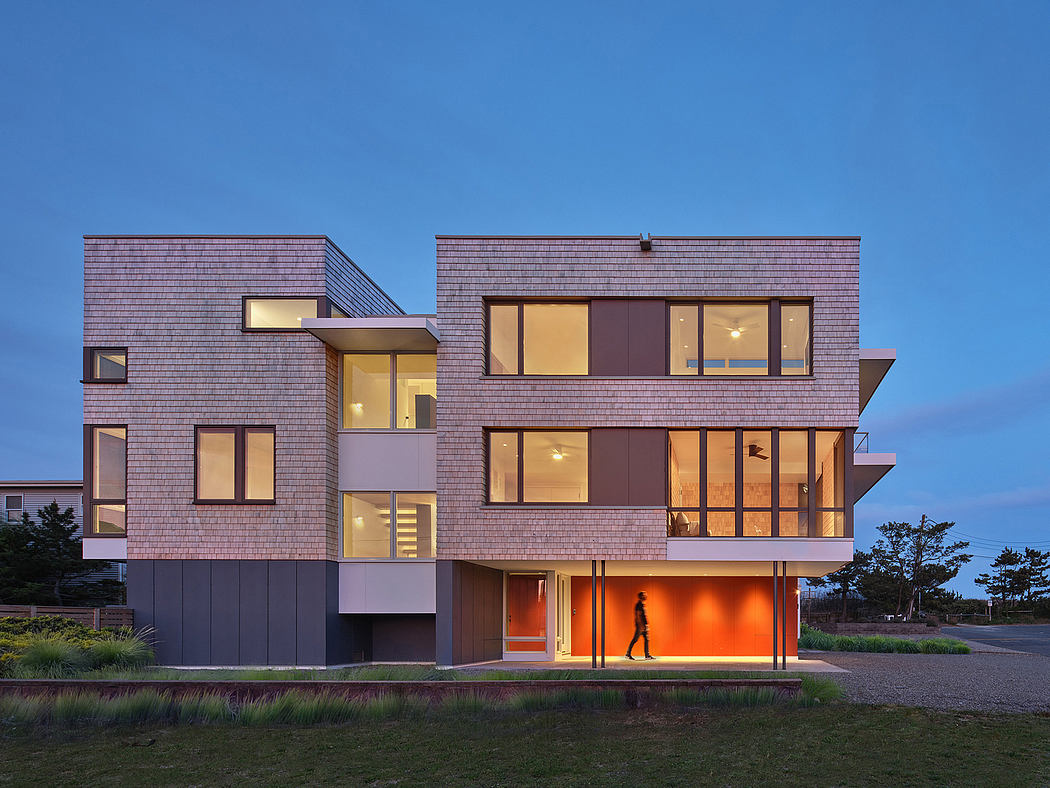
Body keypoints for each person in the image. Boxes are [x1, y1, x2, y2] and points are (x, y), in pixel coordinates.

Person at [625, 591, 654, 660]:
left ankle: (647, 655)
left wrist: (646, 625)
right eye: (644, 595)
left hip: (643, 626)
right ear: (641, 596)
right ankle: (628, 654)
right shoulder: (639, 605)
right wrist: (641, 626)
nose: (646, 596)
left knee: (646, 639)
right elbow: (638, 616)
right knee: (635, 639)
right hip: (640, 626)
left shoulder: (642, 604)